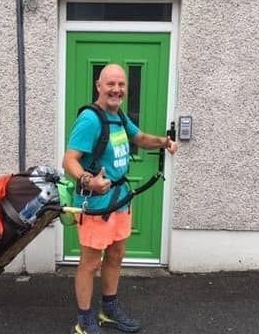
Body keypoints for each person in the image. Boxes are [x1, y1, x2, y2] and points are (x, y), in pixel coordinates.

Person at [63, 64, 178, 334]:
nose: (117, 89)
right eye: (111, 84)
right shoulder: (91, 119)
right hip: (95, 204)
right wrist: (89, 181)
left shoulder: (118, 117)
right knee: (91, 263)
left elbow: (139, 137)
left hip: (120, 200)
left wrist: (165, 142)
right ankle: (84, 320)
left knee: (116, 255)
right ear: (99, 86)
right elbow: (69, 160)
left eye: (121, 85)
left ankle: (108, 309)